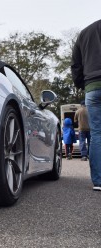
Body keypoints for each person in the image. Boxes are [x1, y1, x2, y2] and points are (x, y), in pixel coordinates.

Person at [71, 19, 101, 191]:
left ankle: (98, 181)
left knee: (97, 134)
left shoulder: (85, 32)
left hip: (92, 86)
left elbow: (75, 64)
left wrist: (83, 84)